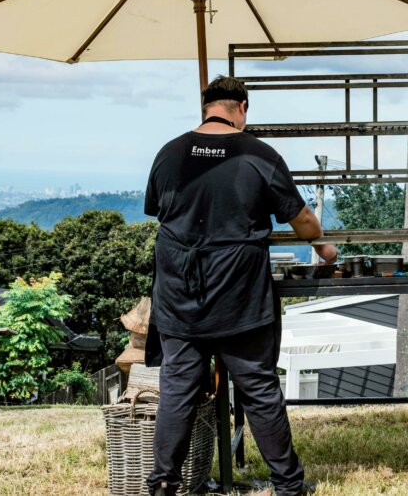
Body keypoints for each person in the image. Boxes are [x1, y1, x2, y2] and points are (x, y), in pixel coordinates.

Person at [144, 76, 338, 496]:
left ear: (206, 107)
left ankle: (162, 484)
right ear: (242, 108)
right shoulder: (258, 154)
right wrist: (325, 248)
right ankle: (287, 485)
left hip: (180, 294)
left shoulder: (168, 153)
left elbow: (159, 210)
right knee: (259, 389)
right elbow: (301, 219)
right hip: (239, 295)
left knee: (177, 391)